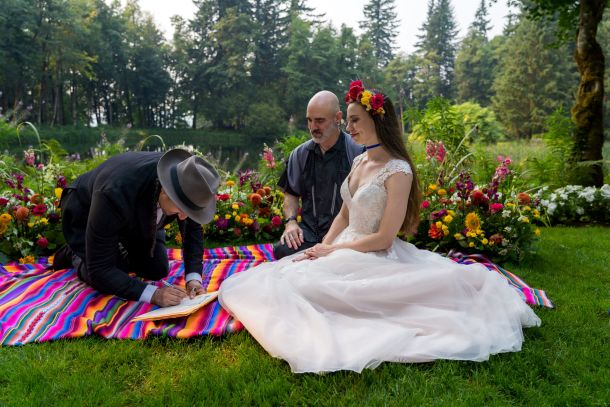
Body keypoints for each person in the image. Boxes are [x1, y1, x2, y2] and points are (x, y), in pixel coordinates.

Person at [219, 81, 541, 373]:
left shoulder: (398, 171)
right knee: (286, 276)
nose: (349, 126)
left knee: (313, 291)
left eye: (355, 119)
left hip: (374, 251)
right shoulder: (360, 161)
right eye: (348, 119)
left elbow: (385, 238)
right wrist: (321, 250)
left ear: (377, 120)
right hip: (344, 242)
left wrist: (333, 249)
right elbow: (344, 215)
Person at [52, 148, 220, 307]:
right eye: (181, 210)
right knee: (106, 274)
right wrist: (154, 295)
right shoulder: (114, 192)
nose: (183, 218)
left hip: (135, 213)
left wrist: (194, 279)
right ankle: (74, 252)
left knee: (156, 270)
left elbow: (192, 231)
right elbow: (100, 269)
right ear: (165, 192)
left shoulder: (187, 179)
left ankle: (118, 248)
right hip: (85, 211)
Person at [274, 90, 364, 259]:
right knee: (282, 250)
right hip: (309, 234)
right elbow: (291, 195)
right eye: (309, 120)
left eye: (320, 121)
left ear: (338, 118)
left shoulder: (358, 152)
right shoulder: (299, 154)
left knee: (345, 259)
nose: (313, 127)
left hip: (347, 235)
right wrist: (291, 222)